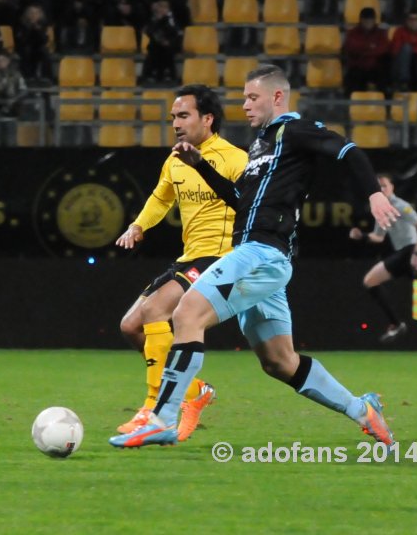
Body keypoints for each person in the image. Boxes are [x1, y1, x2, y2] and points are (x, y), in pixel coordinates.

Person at [111, 64, 400, 449]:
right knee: (280, 362)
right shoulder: (261, 148)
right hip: (262, 260)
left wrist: (374, 194)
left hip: (260, 254)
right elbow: (238, 201)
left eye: (252, 98)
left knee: (186, 313)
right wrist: (203, 167)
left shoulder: (294, 131)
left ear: (277, 97)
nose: (244, 106)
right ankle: (362, 410)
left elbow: (348, 151)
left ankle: (162, 417)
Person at [114, 84, 248, 440]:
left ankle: (154, 409)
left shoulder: (235, 159)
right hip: (189, 257)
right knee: (130, 327)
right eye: (173, 116)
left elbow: (251, 208)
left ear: (208, 119)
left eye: (184, 115)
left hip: (220, 256)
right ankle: (194, 391)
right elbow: (161, 198)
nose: (175, 122)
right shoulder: (175, 159)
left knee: (156, 310)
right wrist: (138, 225)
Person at [349, 173, 417, 344]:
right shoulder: (381, 209)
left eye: (384, 186)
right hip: (402, 254)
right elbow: (378, 237)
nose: (381, 189)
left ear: (392, 187)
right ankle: (396, 324)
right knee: (370, 281)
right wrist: (362, 236)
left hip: (412, 251)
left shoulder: (401, 205)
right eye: (378, 187)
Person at [342, 7, 390, 96]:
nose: (368, 22)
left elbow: (383, 49)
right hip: (358, 67)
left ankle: (386, 107)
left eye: (370, 20)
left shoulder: (381, 33)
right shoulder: (353, 33)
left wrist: (363, 50)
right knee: (352, 83)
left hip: (376, 68)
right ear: (361, 20)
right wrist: (371, 48)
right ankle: (350, 106)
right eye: (365, 20)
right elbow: (351, 48)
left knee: (385, 82)